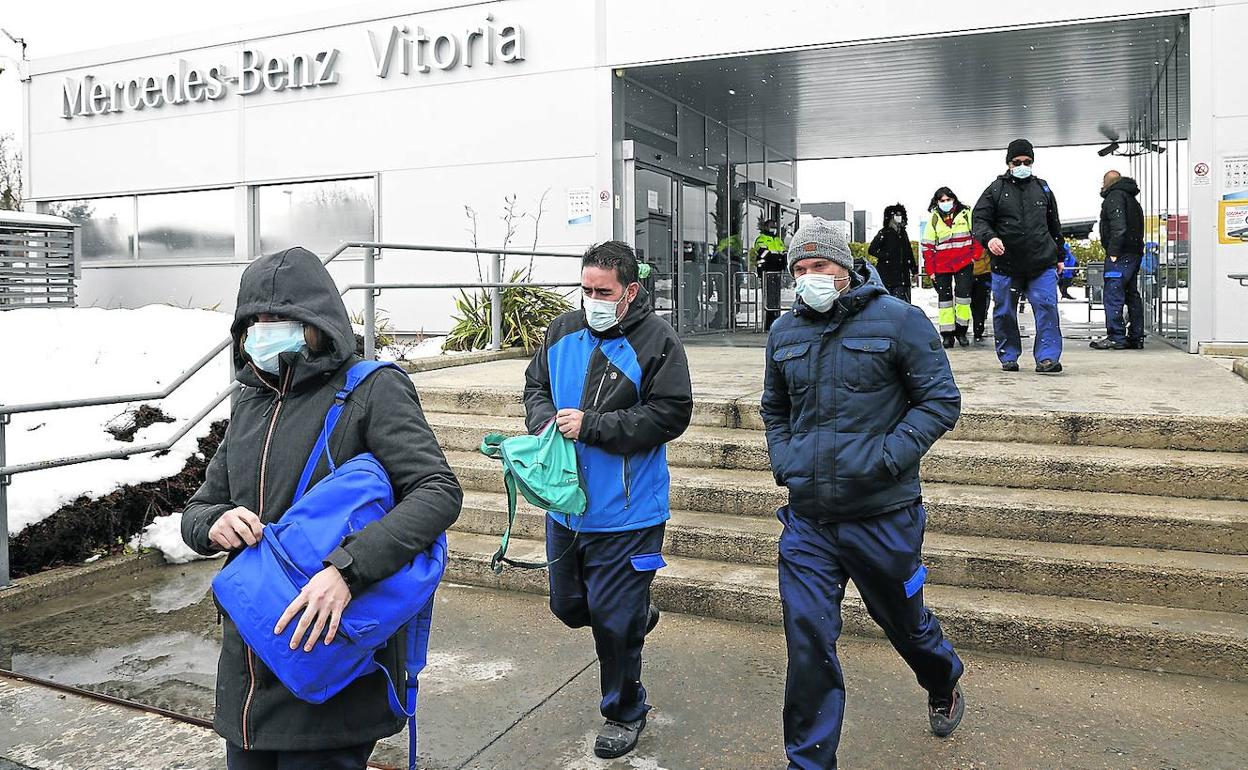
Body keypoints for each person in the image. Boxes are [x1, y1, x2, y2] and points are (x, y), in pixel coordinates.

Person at [180, 246, 463, 769]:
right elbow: (199, 508)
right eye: (255, 321)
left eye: (283, 319)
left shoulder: (372, 389)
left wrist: (348, 570)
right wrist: (213, 523)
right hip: (248, 662)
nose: (267, 330)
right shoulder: (247, 400)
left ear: (319, 320)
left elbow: (437, 491)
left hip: (330, 653)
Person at [761, 220, 965, 770]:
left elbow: (940, 401)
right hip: (809, 520)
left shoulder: (900, 322)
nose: (808, 279)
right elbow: (775, 408)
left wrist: (888, 458)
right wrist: (786, 461)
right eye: (799, 271)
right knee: (807, 641)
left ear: (845, 271)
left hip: (883, 514)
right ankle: (809, 762)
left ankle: (942, 677)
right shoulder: (784, 333)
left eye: (819, 268)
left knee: (904, 621)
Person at [523, 240, 693, 760]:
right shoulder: (561, 331)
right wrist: (543, 423)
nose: (591, 299)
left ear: (630, 291)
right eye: (585, 289)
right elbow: (535, 389)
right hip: (566, 506)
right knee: (569, 606)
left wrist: (592, 425)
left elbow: (671, 413)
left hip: (628, 512)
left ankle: (625, 710)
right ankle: (636, 615)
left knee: (613, 626)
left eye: (603, 291)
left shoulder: (658, 341)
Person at [972, 138, 1066, 374]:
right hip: (1006, 264)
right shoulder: (995, 190)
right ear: (1008, 163)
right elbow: (979, 220)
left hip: (1042, 262)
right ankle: (1008, 355)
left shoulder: (1043, 188)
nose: (1022, 165)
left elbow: (1054, 225)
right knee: (1004, 312)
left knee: (1047, 307)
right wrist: (990, 238)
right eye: (1017, 161)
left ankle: (1047, 357)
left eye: (1027, 161)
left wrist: (1060, 256)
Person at [1091, 170, 1146, 350]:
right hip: (1134, 252)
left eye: (1103, 181)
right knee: (1131, 295)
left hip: (1120, 254)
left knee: (1113, 294)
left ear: (1108, 183)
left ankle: (1116, 336)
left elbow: (1118, 225)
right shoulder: (1132, 199)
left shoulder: (1114, 197)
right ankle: (1136, 337)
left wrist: (1113, 252)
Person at [921, 188, 978, 348]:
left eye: (948, 199)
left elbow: (977, 235)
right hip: (942, 266)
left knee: (964, 299)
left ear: (954, 199)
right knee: (944, 301)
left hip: (964, 262)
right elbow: (927, 247)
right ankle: (947, 335)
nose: (946, 203)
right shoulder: (933, 219)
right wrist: (931, 271)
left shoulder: (966, 214)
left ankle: (961, 331)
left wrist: (975, 256)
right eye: (942, 200)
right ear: (937, 202)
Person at [868, 203, 919, 303]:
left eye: (900, 215)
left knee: (903, 304)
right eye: (896, 215)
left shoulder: (903, 233)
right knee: (890, 304)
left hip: (902, 277)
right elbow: (872, 249)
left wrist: (914, 270)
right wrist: (886, 256)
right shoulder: (884, 233)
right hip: (888, 276)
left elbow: (908, 252)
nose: (899, 217)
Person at [754, 218, 789, 330]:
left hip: (777, 271)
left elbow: (783, 252)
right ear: (765, 227)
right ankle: (768, 322)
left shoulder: (778, 240)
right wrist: (776, 257)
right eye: (771, 226)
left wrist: (781, 260)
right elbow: (762, 253)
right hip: (767, 271)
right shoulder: (761, 238)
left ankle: (775, 319)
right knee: (768, 297)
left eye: (774, 226)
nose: (773, 228)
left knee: (775, 297)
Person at [969, 232, 992, 345]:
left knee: (979, 303)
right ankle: (977, 328)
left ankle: (978, 328)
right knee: (978, 303)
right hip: (971, 271)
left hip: (982, 272)